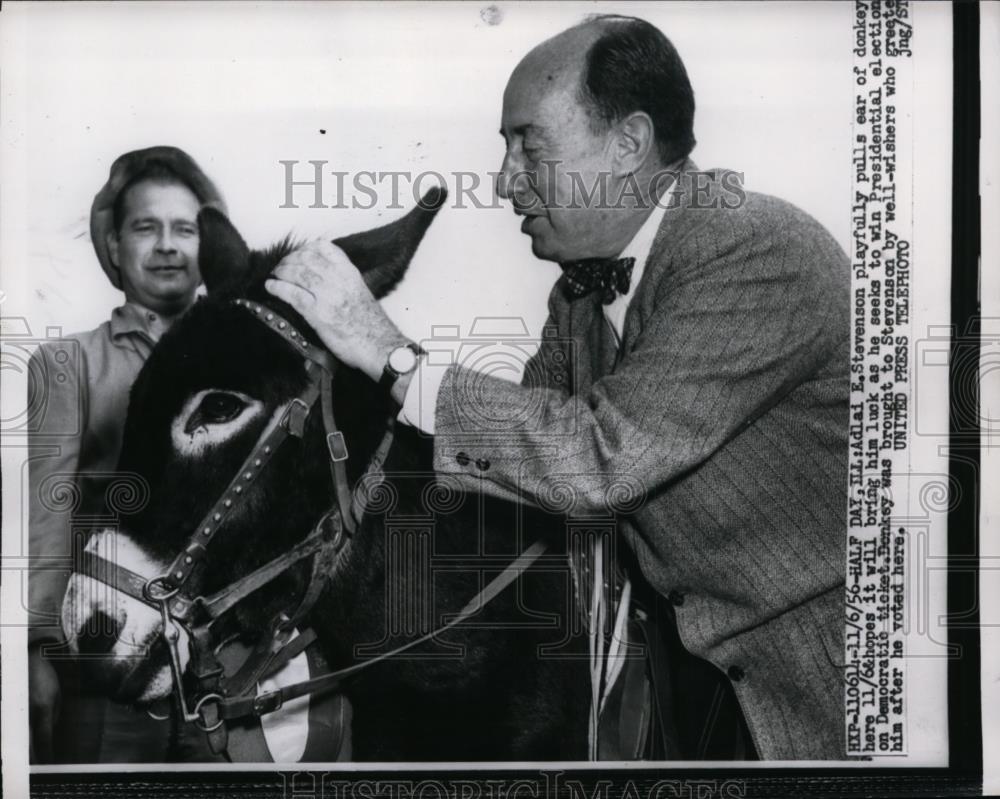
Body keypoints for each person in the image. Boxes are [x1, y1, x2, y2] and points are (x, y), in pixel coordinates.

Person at [266, 15, 850, 760]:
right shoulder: (578, 294)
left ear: (629, 143)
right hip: (685, 678)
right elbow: (516, 467)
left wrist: (390, 353)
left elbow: (596, 461)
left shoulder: (755, 247)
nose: (505, 180)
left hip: (806, 687)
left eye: (527, 146)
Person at [28, 145, 225, 763]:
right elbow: (46, 514)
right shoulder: (70, 364)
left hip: (223, 666)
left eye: (185, 229)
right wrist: (37, 652)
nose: (167, 245)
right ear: (113, 246)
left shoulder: (236, 361)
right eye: (146, 227)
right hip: (103, 659)